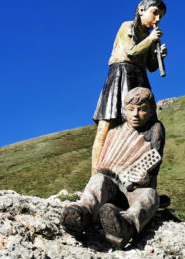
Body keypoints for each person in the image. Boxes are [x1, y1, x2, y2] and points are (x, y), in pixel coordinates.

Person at [61, 87, 165, 248]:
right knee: (98, 180)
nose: (136, 114)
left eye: (142, 109)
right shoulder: (115, 131)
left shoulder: (155, 130)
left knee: (151, 195)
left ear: (151, 111)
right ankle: (83, 213)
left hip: (134, 190)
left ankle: (126, 224)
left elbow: (154, 166)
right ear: (125, 110)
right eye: (131, 110)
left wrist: (146, 178)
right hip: (111, 186)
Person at [91, 0, 167, 174]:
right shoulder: (127, 27)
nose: (157, 20)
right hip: (121, 75)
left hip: (139, 79)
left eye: (160, 17)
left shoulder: (149, 36)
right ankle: (95, 177)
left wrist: (159, 56)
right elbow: (130, 53)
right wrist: (150, 41)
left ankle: (137, 177)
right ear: (141, 10)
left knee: (144, 127)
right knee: (107, 126)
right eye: (154, 13)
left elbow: (151, 66)